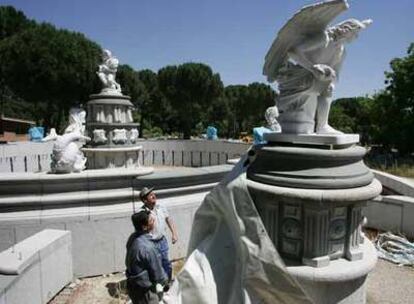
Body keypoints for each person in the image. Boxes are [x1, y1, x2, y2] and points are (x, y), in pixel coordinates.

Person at [125, 210, 168, 304]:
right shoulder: (148, 247)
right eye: (151, 221)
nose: (154, 222)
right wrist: (165, 282)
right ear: (144, 226)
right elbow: (158, 273)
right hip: (145, 292)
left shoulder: (132, 238)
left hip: (132, 286)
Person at [139, 187, 178, 281]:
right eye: (150, 195)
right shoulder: (142, 213)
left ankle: (167, 283)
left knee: (166, 264)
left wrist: (174, 233)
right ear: (145, 200)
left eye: (153, 193)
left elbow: (168, 219)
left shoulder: (161, 206)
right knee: (155, 266)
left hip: (162, 241)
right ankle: (158, 285)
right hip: (151, 243)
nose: (153, 195)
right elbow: (141, 230)